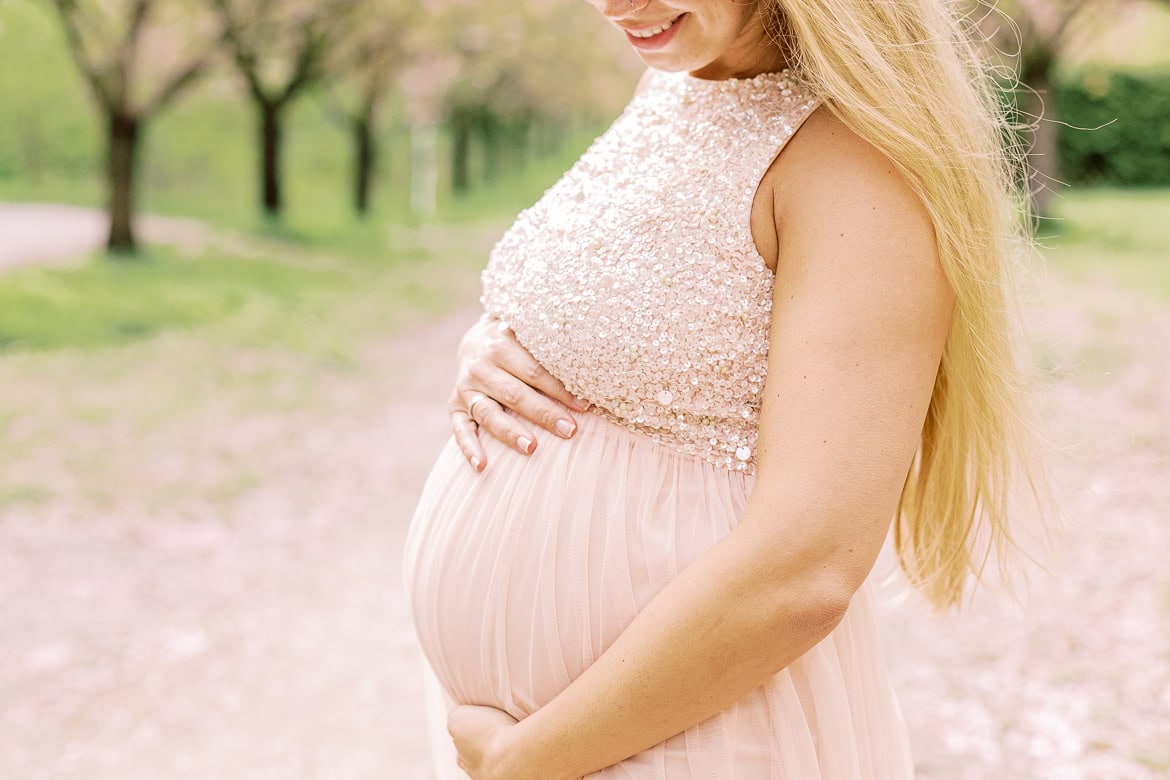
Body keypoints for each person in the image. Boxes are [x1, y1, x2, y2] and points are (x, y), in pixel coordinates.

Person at [404, 0, 1043, 776]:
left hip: (680, 739)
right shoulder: (677, 83)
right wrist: (495, 347)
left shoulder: (858, 165)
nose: (613, 5)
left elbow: (806, 566)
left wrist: (524, 759)